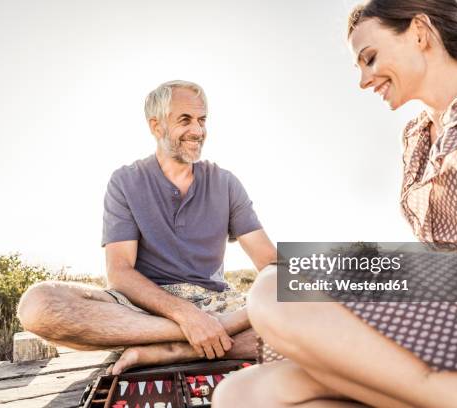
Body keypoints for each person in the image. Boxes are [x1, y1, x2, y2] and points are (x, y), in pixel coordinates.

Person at [213, 1, 457, 407]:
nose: (363, 80)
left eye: (370, 57)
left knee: (277, 290)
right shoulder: (416, 137)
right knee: (245, 393)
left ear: (419, 31)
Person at [17, 80, 276, 374]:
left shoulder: (226, 182)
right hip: (145, 314)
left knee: (314, 294)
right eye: (185, 120)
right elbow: (120, 273)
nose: (198, 131)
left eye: (202, 120)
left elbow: (270, 263)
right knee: (38, 304)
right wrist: (187, 316)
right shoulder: (125, 181)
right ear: (156, 126)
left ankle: (173, 351)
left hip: (219, 305)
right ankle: (203, 335)